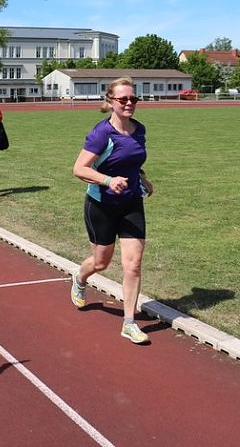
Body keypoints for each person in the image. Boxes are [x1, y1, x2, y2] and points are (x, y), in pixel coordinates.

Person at [70, 77, 154, 344]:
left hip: (131, 203)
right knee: (101, 262)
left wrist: (142, 178)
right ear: (111, 102)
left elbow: (131, 159)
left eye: (133, 99)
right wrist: (108, 180)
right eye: (123, 99)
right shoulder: (101, 133)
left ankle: (129, 322)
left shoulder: (139, 129)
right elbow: (79, 169)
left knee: (134, 264)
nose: (129, 103)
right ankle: (80, 278)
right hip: (101, 205)